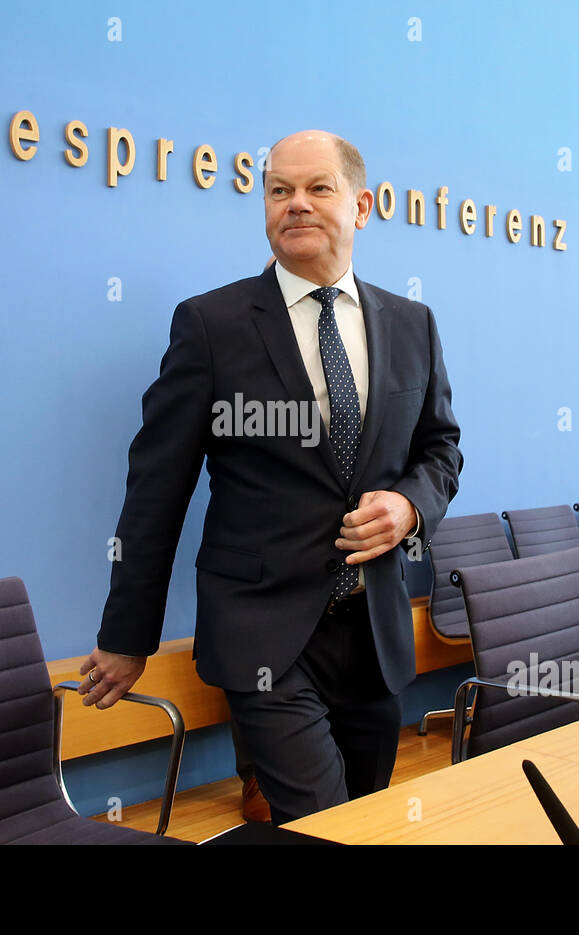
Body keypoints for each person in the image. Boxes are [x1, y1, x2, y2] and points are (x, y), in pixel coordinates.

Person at [77, 129, 463, 824]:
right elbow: (156, 490)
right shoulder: (211, 324)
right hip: (264, 634)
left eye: (318, 188)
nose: (296, 204)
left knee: (368, 818)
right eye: (279, 189)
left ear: (362, 205)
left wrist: (409, 508)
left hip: (374, 633)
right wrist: (128, 634)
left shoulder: (413, 324)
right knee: (320, 819)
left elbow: (441, 449)